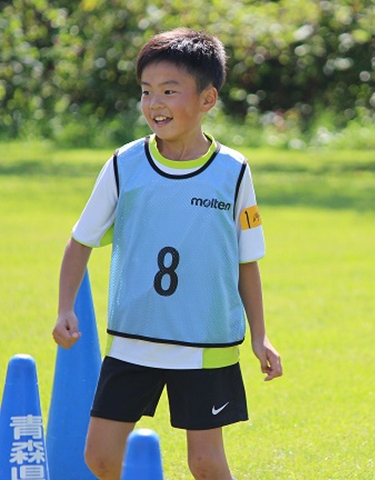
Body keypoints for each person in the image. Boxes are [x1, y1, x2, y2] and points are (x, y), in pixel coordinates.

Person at [52, 28, 282, 480]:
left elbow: (246, 260)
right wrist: (64, 308)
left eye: (169, 91)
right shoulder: (124, 163)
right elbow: (81, 240)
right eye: (146, 92)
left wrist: (260, 336)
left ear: (207, 99)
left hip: (206, 345)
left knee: (205, 463)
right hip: (133, 338)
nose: (154, 104)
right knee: (98, 456)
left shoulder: (233, 171)